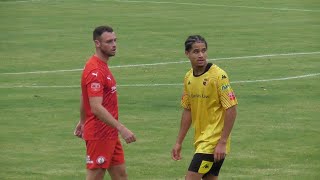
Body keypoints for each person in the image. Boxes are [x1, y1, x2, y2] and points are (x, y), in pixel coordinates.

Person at [74, 25, 136, 180]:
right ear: (97, 43)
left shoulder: (101, 66)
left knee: (121, 176)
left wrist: (82, 121)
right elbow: (95, 107)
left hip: (110, 134)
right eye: (109, 41)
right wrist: (122, 128)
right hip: (99, 134)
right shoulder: (95, 71)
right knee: (95, 176)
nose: (114, 44)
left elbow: (84, 96)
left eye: (115, 40)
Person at [171, 35, 238, 180]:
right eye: (196, 51)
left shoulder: (218, 76)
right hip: (201, 141)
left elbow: (231, 109)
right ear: (187, 53)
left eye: (203, 50)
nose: (201, 55)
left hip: (213, 143)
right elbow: (188, 110)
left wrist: (223, 142)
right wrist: (178, 142)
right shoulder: (188, 77)